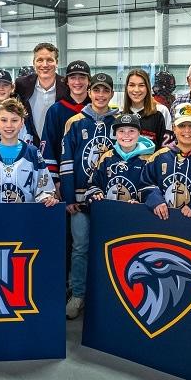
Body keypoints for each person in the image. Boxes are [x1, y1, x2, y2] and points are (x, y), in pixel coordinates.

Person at [59, 72, 120, 320]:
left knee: (110, 249)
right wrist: (69, 196)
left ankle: (107, 296)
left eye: (106, 90)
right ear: (89, 92)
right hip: (80, 200)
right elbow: (66, 161)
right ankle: (78, 294)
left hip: (110, 200)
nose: (101, 95)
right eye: (97, 90)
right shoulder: (75, 122)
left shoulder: (120, 122)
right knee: (80, 247)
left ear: (112, 93)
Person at [139, 102, 191, 222]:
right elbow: (144, 185)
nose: (187, 130)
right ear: (174, 128)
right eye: (182, 125)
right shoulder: (158, 157)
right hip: (159, 223)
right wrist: (155, 200)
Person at [0, 98, 58, 207]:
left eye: (14, 120)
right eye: (4, 120)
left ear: (22, 122)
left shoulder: (33, 153)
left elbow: (44, 186)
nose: (9, 125)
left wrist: (46, 197)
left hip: (25, 215)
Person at [85, 113, 156, 203]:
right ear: (115, 134)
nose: (126, 135)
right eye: (121, 131)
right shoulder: (106, 157)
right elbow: (93, 184)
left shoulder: (149, 160)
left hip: (136, 211)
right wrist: (96, 193)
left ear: (139, 134)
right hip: (108, 210)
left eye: (131, 131)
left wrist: (141, 204)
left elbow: (153, 190)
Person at [42, 60, 93, 185]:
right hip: (64, 179)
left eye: (82, 77)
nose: (77, 82)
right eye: (73, 77)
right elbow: (48, 146)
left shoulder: (96, 110)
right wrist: (54, 180)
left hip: (93, 179)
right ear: (67, 81)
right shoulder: (55, 110)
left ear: (89, 81)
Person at [15, 42, 69, 142]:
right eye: (40, 60)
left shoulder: (67, 86)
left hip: (59, 145)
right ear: (34, 63)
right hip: (31, 144)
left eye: (49, 60)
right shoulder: (22, 85)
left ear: (57, 63)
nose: (44, 65)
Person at [0, 69, 35, 146]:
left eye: (5, 85)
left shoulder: (21, 112)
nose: (1, 88)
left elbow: (28, 139)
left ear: (12, 88)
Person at [122, 68, 173, 149]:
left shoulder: (161, 111)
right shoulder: (121, 115)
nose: (136, 90)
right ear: (126, 88)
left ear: (147, 88)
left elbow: (167, 148)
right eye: (132, 85)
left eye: (141, 85)